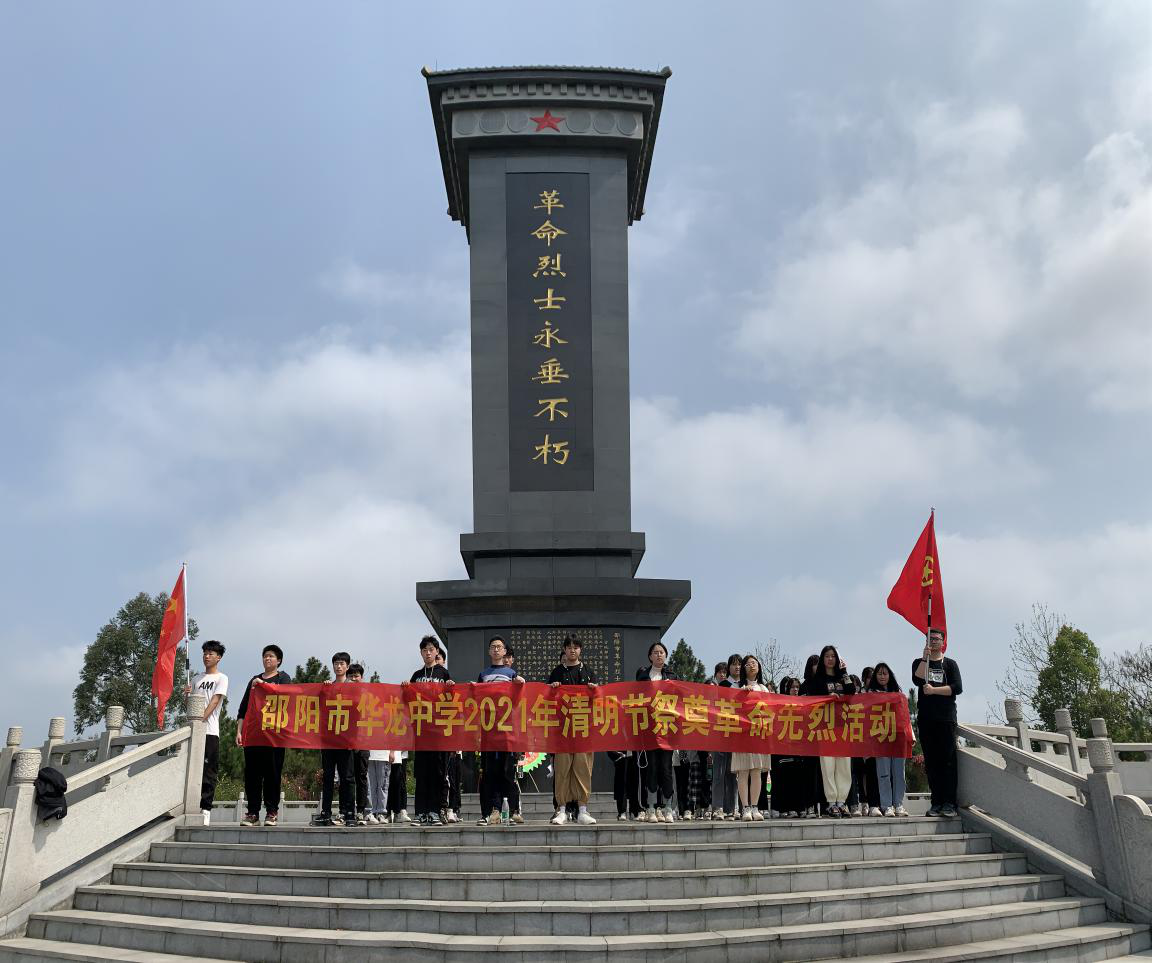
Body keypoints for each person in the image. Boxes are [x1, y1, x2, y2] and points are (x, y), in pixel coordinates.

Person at [235, 644, 291, 827]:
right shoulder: (254, 680)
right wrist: (239, 731)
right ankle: (252, 813)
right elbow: (243, 708)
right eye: (265, 656)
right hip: (253, 735)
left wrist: (264, 685)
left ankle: (271, 812)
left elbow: (287, 697)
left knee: (272, 775)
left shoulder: (284, 678)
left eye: (271, 656)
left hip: (274, 736)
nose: (267, 659)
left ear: (279, 661)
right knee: (252, 775)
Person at [548, 635, 599, 825]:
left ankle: (583, 809)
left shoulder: (588, 672)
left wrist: (595, 692)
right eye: (569, 647)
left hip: (583, 730)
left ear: (580, 650)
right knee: (562, 770)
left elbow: (597, 702)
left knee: (583, 769)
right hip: (562, 732)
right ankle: (561, 809)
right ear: (564, 649)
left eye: (576, 647)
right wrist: (552, 690)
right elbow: (546, 701)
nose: (572, 650)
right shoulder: (557, 672)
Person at [404, 636, 454, 826]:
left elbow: (452, 699)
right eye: (424, 650)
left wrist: (450, 688)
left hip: (438, 731)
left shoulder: (443, 673)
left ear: (436, 652)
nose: (428, 652)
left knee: (437, 772)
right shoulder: (417, 675)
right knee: (422, 773)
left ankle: (434, 811)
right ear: (421, 653)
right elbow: (407, 699)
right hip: (421, 731)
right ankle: (421, 812)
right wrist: (405, 688)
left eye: (431, 649)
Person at [913, 629, 963, 817]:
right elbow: (917, 679)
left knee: (948, 761)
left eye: (936, 638)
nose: (933, 641)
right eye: (930, 638)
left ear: (943, 642)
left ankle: (950, 803)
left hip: (946, 718)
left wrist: (934, 691)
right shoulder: (920, 663)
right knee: (932, 762)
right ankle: (936, 802)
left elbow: (957, 688)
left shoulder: (950, 664)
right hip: (927, 719)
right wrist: (924, 658)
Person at [476, 636, 526, 825]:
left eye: (499, 647)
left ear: (505, 652)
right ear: (489, 651)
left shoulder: (511, 673)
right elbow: (478, 698)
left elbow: (518, 700)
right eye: (493, 647)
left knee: (508, 772)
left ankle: (512, 810)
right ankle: (494, 810)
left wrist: (521, 683)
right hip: (489, 733)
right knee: (491, 773)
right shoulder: (483, 674)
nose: (496, 650)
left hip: (507, 733)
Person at [802, 645, 855, 817]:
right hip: (826, 728)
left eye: (833, 656)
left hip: (843, 728)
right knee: (828, 766)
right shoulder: (818, 680)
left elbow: (852, 691)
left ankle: (842, 802)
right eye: (827, 656)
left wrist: (845, 671)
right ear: (823, 658)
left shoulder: (842, 678)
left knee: (844, 767)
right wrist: (828, 699)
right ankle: (831, 802)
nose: (830, 659)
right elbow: (814, 697)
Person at [636, 641, 678, 823]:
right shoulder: (643, 676)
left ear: (666, 656)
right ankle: (651, 807)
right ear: (650, 656)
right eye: (655, 652)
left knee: (666, 770)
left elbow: (681, 701)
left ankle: (668, 807)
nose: (659, 655)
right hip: (650, 730)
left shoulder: (672, 676)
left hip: (668, 730)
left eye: (662, 652)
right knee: (651, 769)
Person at [313, 652, 357, 827]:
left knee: (347, 777)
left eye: (341, 663)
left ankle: (349, 813)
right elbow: (318, 708)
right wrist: (323, 691)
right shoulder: (328, 686)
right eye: (336, 664)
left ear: (347, 666)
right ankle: (326, 812)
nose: (338, 666)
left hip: (346, 739)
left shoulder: (353, 687)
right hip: (329, 739)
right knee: (328, 776)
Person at [191, 640, 229, 826]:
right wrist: (187, 696)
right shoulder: (196, 679)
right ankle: (190, 804)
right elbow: (191, 706)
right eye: (205, 653)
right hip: (193, 731)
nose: (207, 656)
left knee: (208, 771)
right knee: (192, 770)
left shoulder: (222, 678)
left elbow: (214, 702)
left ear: (219, 657)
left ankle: (205, 808)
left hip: (210, 732)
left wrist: (201, 721)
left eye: (211, 653)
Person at [730, 655, 772, 821]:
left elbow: (771, 711)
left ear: (759, 667)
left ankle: (755, 807)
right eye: (747, 664)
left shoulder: (763, 688)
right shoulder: (736, 687)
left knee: (756, 771)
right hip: (742, 735)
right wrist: (741, 694)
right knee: (743, 771)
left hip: (759, 735)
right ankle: (745, 807)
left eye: (754, 663)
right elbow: (731, 708)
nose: (751, 666)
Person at [868, 662, 909, 816]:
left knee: (899, 773)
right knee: (883, 774)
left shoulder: (898, 693)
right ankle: (886, 806)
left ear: (890, 675)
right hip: (880, 739)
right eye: (879, 673)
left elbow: (905, 716)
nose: (882, 676)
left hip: (898, 738)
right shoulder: (870, 693)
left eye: (885, 673)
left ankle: (898, 804)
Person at [708, 653, 742, 821]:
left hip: (738, 736)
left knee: (734, 774)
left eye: (739, 664)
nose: (737, 667)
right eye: (734, 664)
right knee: (719, 773)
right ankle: (718, 807)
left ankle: (732, 808)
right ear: (728, 667)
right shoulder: (723, 686)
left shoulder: (744, 686)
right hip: (722, 734)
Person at [769, 677, 805, 817]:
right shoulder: (780, 704)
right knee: (784, 780)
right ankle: (784, 808)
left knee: (797, 779)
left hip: (799, 746)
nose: (795, 689)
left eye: (797, 687)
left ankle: (797, 808)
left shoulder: (804, 704)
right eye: (792, 687)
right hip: (784, 747)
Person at [437, 647, 462, 823]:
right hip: (433, 741)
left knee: (451, 778)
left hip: (450, 743)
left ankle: (451, 809)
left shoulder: (451, 686)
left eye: (438, 658)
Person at [386, 750, 411, 823]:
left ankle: (401, 810)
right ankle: (388, 813)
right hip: (389, 752)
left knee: (401, 783)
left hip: (402, 754)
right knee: (389, 783)